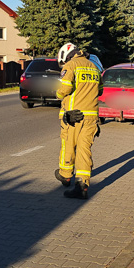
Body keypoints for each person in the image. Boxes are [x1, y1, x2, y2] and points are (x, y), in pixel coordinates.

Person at [54, 42, 103, 199]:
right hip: (91, 116)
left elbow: (64, 89)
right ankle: (82, 186)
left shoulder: (71, 65)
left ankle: (65, 174)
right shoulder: (94, 67)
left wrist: (57, 94)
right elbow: (100, 90)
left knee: (68, 144)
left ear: (65, 56)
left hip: (73, 115)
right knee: (84, 150)